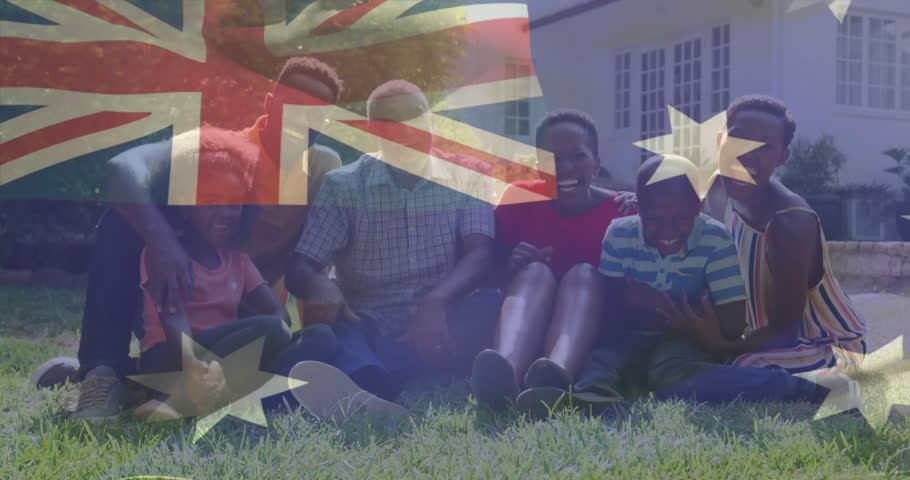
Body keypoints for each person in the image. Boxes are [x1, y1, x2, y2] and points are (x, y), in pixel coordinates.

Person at [32, 57, 346, 420]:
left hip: (240, 316)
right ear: (270, 103)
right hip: (174, 302)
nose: (303, 122)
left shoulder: (322, 167)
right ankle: (104, 371)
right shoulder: (219, 152)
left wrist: (323, 285)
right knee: (122, 215)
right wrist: (163, 241)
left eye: (316, 115)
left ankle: (143, 382)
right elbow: (122, 169)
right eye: (295, 106)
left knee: (311, 338)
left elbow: (314, 251)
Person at [517, 155, 831, 416]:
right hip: (627, 336)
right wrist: (671, 306)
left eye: (681, 218)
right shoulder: (619, 234)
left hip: (684, 338)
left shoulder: (715, 239)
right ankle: (589, 400)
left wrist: (662, 308)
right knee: (600, 363)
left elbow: (733, 324)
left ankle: (798, 387)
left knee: (672, 375)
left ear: (698, 206)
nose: (667, 231)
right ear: (637, 206)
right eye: (654, 219)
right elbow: (610, 310)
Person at [286, 80, 503, 401]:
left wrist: (436, 301)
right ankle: (386, 374)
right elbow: (302, 266)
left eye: (417, 117)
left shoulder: (467, 178)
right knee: (339, 334)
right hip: (368, 321)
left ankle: (369, 374)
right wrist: (321, 285)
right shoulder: (344, 185)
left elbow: (480, 254)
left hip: (444, 316)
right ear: (375, 131)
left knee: (491, 305)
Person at [682, 95, 867, 374]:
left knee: (736, 366)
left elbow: (785, 332)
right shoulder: (719, 187)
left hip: (825, 344)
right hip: (761, 336)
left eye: (765, 147)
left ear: (782, 156)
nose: (745, 154)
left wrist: (716, 344)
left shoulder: (789, 224)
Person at [469, 110, 635, 406]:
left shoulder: (622, 212)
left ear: (596, 165)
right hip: (527, 320)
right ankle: (506, 370)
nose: (565, 168)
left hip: (592, 332)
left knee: (584, 273)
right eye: (552, 159)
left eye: (577, 157)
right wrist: (512, 264)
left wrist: (645, 205)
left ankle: (555, 376)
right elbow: (487, 274)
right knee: (534, 272)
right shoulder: (518, 199)